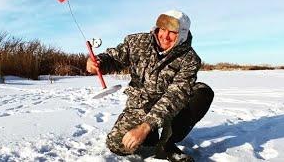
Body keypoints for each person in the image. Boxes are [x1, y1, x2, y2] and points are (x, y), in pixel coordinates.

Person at [86, 10, 214, 161]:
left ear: (183, 34)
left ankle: (167, 143)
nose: (165, 36)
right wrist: (98, 62)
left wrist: (146, 126)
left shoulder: (190, 59)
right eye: (163, 29)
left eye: (172, 32)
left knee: (202, 92)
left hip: (170, 106)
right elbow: (113, 58)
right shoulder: (137, 41)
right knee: (117, 145)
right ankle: (152, 139)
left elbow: (175, 95)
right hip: (140, 105)